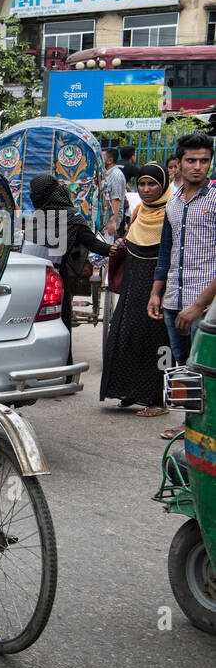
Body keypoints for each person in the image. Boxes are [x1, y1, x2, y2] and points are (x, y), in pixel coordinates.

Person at [149, 133, 216, 439]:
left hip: (206, 304)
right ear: (179, 164)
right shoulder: (174, 200)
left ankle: (208, 427)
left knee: (208, 368)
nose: (198, 167)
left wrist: (200, 304)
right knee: (184, 366)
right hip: (174, 297)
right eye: (191, 160)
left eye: (204, 160)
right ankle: (190, 424)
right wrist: (156, 291)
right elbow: (166, 249)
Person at [101, 162, 172, 417]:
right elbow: (134, 238)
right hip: (133, 284)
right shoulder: (139, 210)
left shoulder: (173, 211)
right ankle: (128, 391)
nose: (146, 189)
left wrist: (161, 291)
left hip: (156, 286)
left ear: (163, 185)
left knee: (155, 341)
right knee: (125, 335)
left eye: (152, 184)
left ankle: (156, 400)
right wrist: (122, 242)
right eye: (141, 183)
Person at [29, 173, 110, 354]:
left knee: (57, 324)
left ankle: (62, 369)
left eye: (35, 193)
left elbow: (93, 244)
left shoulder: (71, 219)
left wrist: (119, 249)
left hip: (53, 281)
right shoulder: (38, 216)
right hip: (29, 280)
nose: (32, 197)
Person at [102, 147, 127, 242]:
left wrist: (112, 221)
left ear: (110, 160)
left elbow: (116, 199)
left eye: (102, 157)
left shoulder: (116, 175)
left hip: (108, 222)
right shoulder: (105, 174)